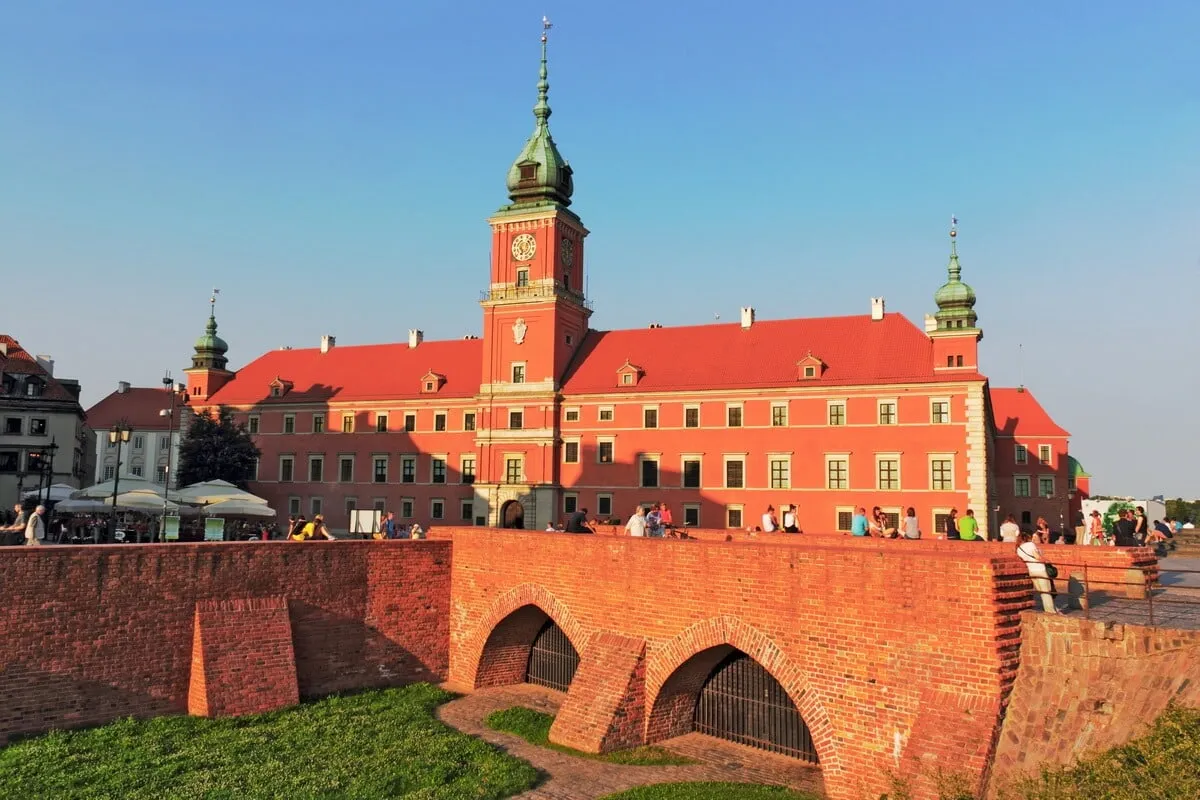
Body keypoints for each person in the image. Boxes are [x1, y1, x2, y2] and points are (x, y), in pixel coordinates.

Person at [1017, 531, 1058, 614]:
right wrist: (1046, 560)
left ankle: (1051, 608)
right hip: (1040, 569)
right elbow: (1037, 556)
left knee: (1042, 592)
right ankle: (1051, 611)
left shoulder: (1019, 549)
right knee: (1046, 591)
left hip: (1031, 571)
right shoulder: (1030, 545)